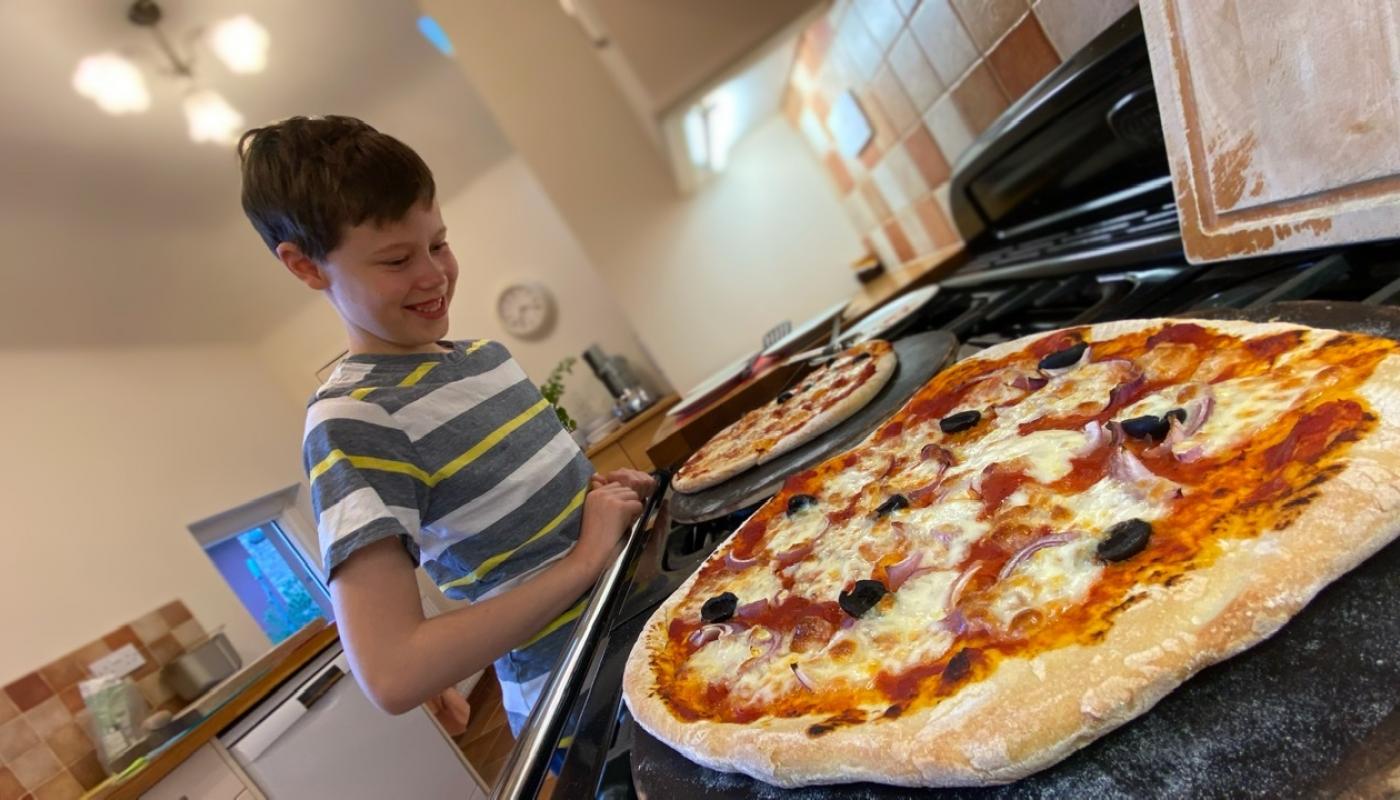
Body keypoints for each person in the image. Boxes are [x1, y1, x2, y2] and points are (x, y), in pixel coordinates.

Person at [237, 115, 655, 739]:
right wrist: (586, 559)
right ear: (306, 267)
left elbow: (539, 531)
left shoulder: (487, 359)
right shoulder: (353, 418)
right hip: (590, 706)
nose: (433, 275)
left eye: (438, 244)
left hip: (651, 633)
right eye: (396, 259)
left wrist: (608, 500)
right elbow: (393, 673)